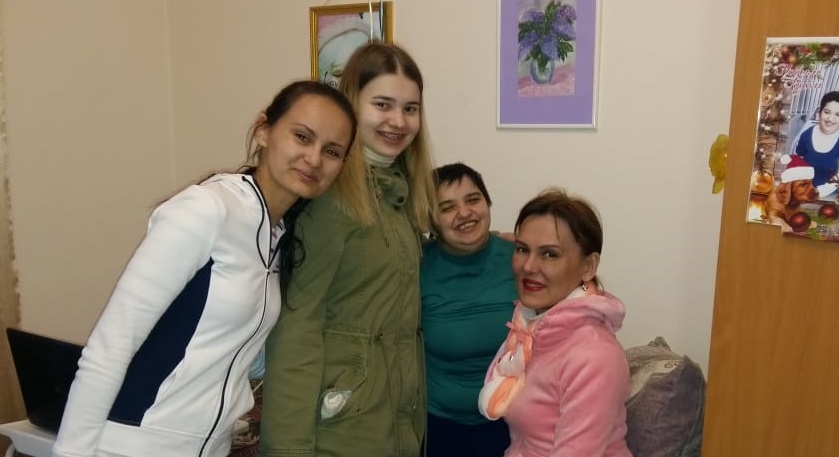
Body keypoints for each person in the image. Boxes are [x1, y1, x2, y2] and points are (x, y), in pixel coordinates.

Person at [50, 80, 359, 457]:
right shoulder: (207, 209)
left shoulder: (278, 237)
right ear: (263, 131)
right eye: (302, 137)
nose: (314, 158)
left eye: (332, 151)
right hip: (133, 446)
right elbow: (110, 346)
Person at [261, 42, 436, 457]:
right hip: (341, 429)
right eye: (382, 104)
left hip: (395, 421)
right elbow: (297, 329)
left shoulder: (400, 194)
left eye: (410, 109)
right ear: (353, 104)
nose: (398, 121)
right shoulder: (330, 197)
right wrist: (288, 448)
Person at [478, 188, 632, 457]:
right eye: (522, 249)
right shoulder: (532, 328)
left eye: (550, 254)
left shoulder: (594, 356)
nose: (528, 266)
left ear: (588, 267)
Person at [421, 163, 515, 457]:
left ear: (487, 203)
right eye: (447, 207)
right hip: (438, 426)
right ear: (431, 220)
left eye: (473, 199)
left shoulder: (522, 260)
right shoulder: (414, 267)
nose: (464, 213)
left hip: (515, 422)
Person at [794, 90, 839, 198]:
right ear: (820, 113)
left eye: (838, 114)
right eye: (827, 112)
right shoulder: (806, 135)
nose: (830, 119)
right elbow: (797, 165)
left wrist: (817, 193)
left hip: (828, 195)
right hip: (802, 193)